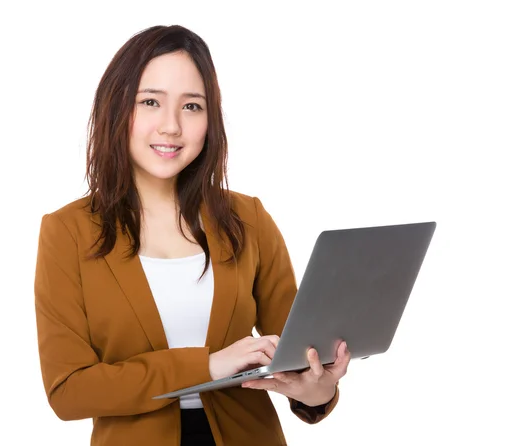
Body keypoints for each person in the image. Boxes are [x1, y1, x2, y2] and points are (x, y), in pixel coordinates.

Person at [34, 24, 350, 446]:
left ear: (210, 120)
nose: (171, 126)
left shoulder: (248, 218)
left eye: (192, 107)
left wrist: (317, 389)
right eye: (150, 102)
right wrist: (208, 366)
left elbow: (298, 355)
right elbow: (69, 392)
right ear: (116, 109)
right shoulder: (67, 232)